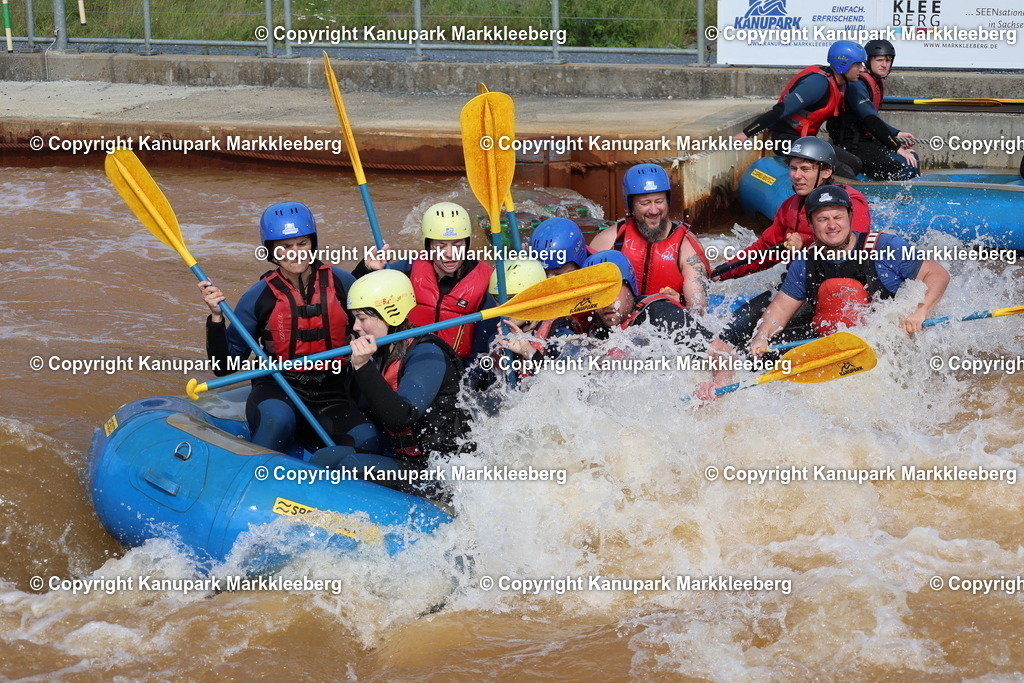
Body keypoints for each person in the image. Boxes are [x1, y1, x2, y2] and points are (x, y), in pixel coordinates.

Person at [700, 185, 949, 397]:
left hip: (881, 338)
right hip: (829, 337)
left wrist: (920, 311)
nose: (832, 226)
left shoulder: (884, 246)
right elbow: (780, 308)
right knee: (757, 359)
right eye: (822, 219)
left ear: (850, 216)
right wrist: (762, 336)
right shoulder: (806, 261)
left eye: (838, 217)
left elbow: (937, 274)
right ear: (811, 223)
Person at [199, 201, 375, 454]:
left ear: (313, 243)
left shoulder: (341, 283)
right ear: (271, 250)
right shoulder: (259, 296)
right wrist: (216, 317)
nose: (296, 253)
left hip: (333, 392)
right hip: (278, 389)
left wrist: (371, 272)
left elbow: (377, 323)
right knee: (277, 422)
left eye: (302, 243)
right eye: (285, 247)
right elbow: (224, 366)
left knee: (368, 439)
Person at [344, 269, 472, 470]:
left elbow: (400, 418)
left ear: (389, 314)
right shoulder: (384, 350)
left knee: (352, 465)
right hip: (408, 457)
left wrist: (362, 366)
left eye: (361, 318)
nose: (356, 327)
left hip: (442, 469)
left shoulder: (427, 353)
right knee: (327, 457)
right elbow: (361, 403)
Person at [711, 137, 870, 281]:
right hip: (802, 283)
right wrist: (721, 272)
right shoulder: (789, 206)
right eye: (793, 168)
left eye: (805, 169)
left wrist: (806, 242)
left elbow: (854, 245)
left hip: (844, 282)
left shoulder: (850, 201)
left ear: (826, 172)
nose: (797, 175)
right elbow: (766, 249)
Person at [360, 202, 493, 360]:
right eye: (440, 246)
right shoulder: (408, 270)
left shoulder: (487, 282)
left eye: (458, 245)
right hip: (412, 360)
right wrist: (367, 269)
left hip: (460, 368)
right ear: (428, 246)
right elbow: (357, 295)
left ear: (467, 244)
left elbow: (485, 348)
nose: (450, 254)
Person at [733, 40, 868, 179]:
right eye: (857, 64)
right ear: (843, 64)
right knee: (844, 172)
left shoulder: (841, 84)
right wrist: (745, 134)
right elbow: (779, 111)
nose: (862, 69)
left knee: (855, 163)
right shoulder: (817, 85)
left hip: (805, 139)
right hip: (785, 139)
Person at [589, 163, 710, 311]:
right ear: (631, 206)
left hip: (667, 323)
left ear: (668, 201)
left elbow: (699, 312)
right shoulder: (611, 239)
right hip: (621, 326)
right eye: (645, 203)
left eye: (659, 201)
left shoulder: (686, 246)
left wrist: (679, 308)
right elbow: (584, 299)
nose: (653, 210)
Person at [467, 259, 581, 390]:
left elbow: (570, 389)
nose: (505, 307)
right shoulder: (498, 339)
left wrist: (529, 353)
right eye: (499, 299)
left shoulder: (560, 335)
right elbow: (475, 389)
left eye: (513, 299)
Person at [827, 39, 921, 180]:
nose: (884, 65)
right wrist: (897, 147)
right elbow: (870, 119)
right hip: (851, 144)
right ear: (868, 61)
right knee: (900, 165)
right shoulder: (856, 84)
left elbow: (873, 121)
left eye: (888, 61)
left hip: (866, 141)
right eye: (879, 60)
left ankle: (908, 198)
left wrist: (897, 133)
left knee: (913, 158)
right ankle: (885, 199)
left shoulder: (873, 82)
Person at [583, 251, 711, 352]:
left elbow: (720, 353)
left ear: (630, 287)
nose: (606, 302)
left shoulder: (660, 314)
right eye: (598, 294)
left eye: (612, 291)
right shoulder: (596, 328)